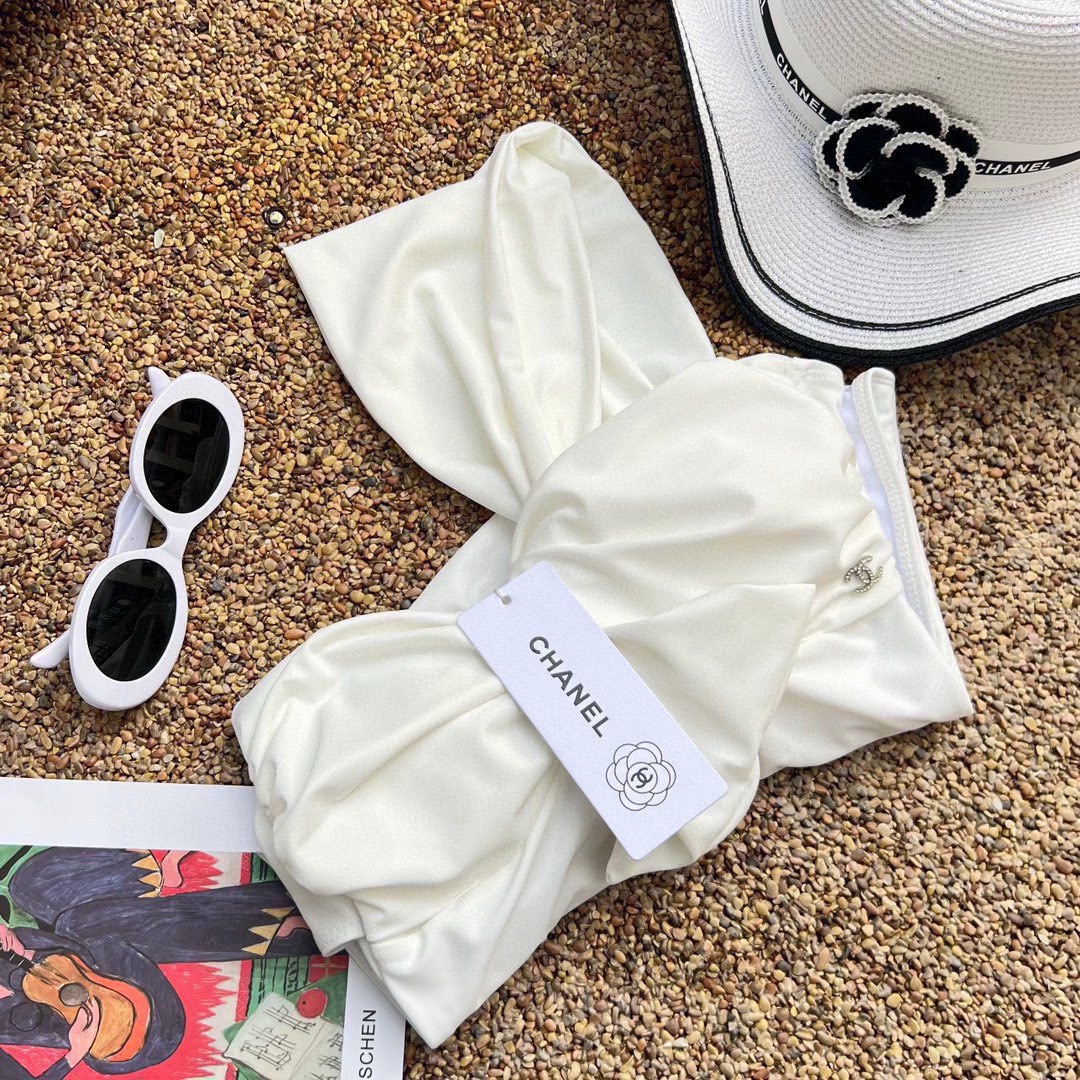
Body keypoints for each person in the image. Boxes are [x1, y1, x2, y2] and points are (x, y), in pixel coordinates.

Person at [0, 847, 317, 1078]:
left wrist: (13, 936)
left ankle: (152, 866)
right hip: (129, 1033)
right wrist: (75, 1052)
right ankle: (271, 925)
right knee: (80, 926)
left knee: (31, 889)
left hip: (88, 960)